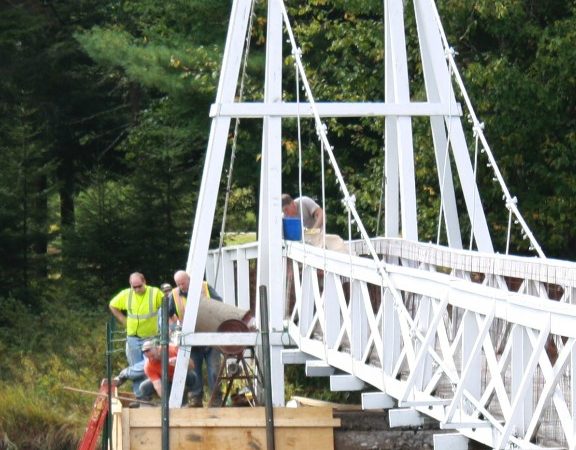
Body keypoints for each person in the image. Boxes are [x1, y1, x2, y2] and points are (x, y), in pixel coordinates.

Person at [167, 270, 223, 407]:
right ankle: (195, 400)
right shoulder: (173, 295)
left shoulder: (204, 287)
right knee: (194, 369)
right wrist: (174, 328)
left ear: (190, 280)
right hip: (190, 338)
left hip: (210, 335)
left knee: (214, 370)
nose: (181, 286)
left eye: (183, 283)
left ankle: (216, 401)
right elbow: (166, 314)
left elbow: (220, 304)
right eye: (178, 284)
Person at [109, 272, 164, 397]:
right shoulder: (126, 294)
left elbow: (166, 307)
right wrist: (123, 320)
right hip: (132, 337)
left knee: (149, 363)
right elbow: (112, 305)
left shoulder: (154, 293)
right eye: (134, 287)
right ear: (130, 286)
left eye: (139, 286)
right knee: (136, 368)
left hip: (150, 337)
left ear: (144, 281)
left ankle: (123, 374)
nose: (137, 289)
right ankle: (141, 398)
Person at [139, 339, 199, 405]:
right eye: (149, 357)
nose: (151, 359)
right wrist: (165, 404)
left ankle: (191, 396)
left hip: (182, 377)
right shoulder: (148, 366)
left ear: (157, 348)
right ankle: (149, 405)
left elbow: (192, 366)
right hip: (167, 381)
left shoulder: (173, 349)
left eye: (152, 356)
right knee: (144, 387)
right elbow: (158, 385)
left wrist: (180, 361)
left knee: (192, 376)